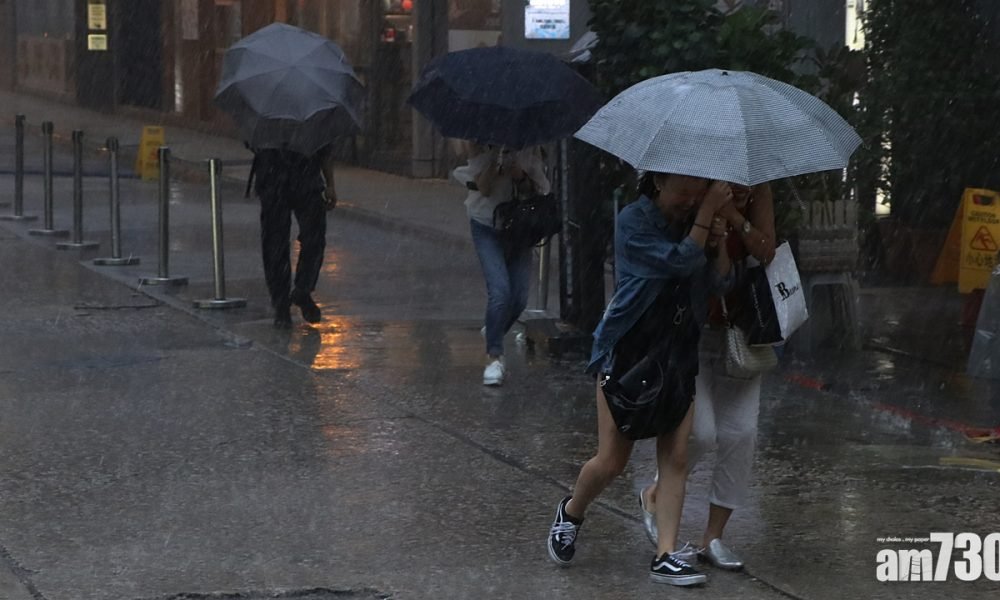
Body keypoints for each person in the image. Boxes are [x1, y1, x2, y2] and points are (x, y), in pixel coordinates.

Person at [546, 173, 734, 586]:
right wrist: (704, 217)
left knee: (676, 457)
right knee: (612, 460)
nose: (688, 201)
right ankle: (572, 510)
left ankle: (665, 554)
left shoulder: (694, 225)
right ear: (657, 183)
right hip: (630, 352)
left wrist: (719, 246)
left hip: (678, 351)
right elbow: (679, 261)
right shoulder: (633, 221)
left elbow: (719, 284)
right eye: (683, 192)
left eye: (696, 192)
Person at [638, 182, 777, 571]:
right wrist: (706, 216)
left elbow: (767, 250)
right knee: (699, 432)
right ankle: (655, 492)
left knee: (741, 434)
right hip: (692, 330)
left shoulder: (759, 192)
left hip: (743, 331)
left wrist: (734, 216)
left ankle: (713, 537)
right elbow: (675, 260)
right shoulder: (694, 187)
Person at [457, 143, 550, 386]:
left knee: (518, 298)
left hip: (518, 226)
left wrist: (520, 176)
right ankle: (494, 357)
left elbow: (540, 190)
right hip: (485, 224)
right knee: (500, 292)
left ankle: (493, 328)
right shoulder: (479, 143)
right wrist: (497, 166)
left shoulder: (529, 146)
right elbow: (484, 188)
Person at [251, 144, 338, 328]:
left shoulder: (312, 119)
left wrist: (330, 184)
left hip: (306, 176)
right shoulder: (268, 120)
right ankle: (281, 304)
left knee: (314, 236)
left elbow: (324, 146)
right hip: (273, 178)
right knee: (275, 243)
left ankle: (302, 290)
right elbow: (252, 142)